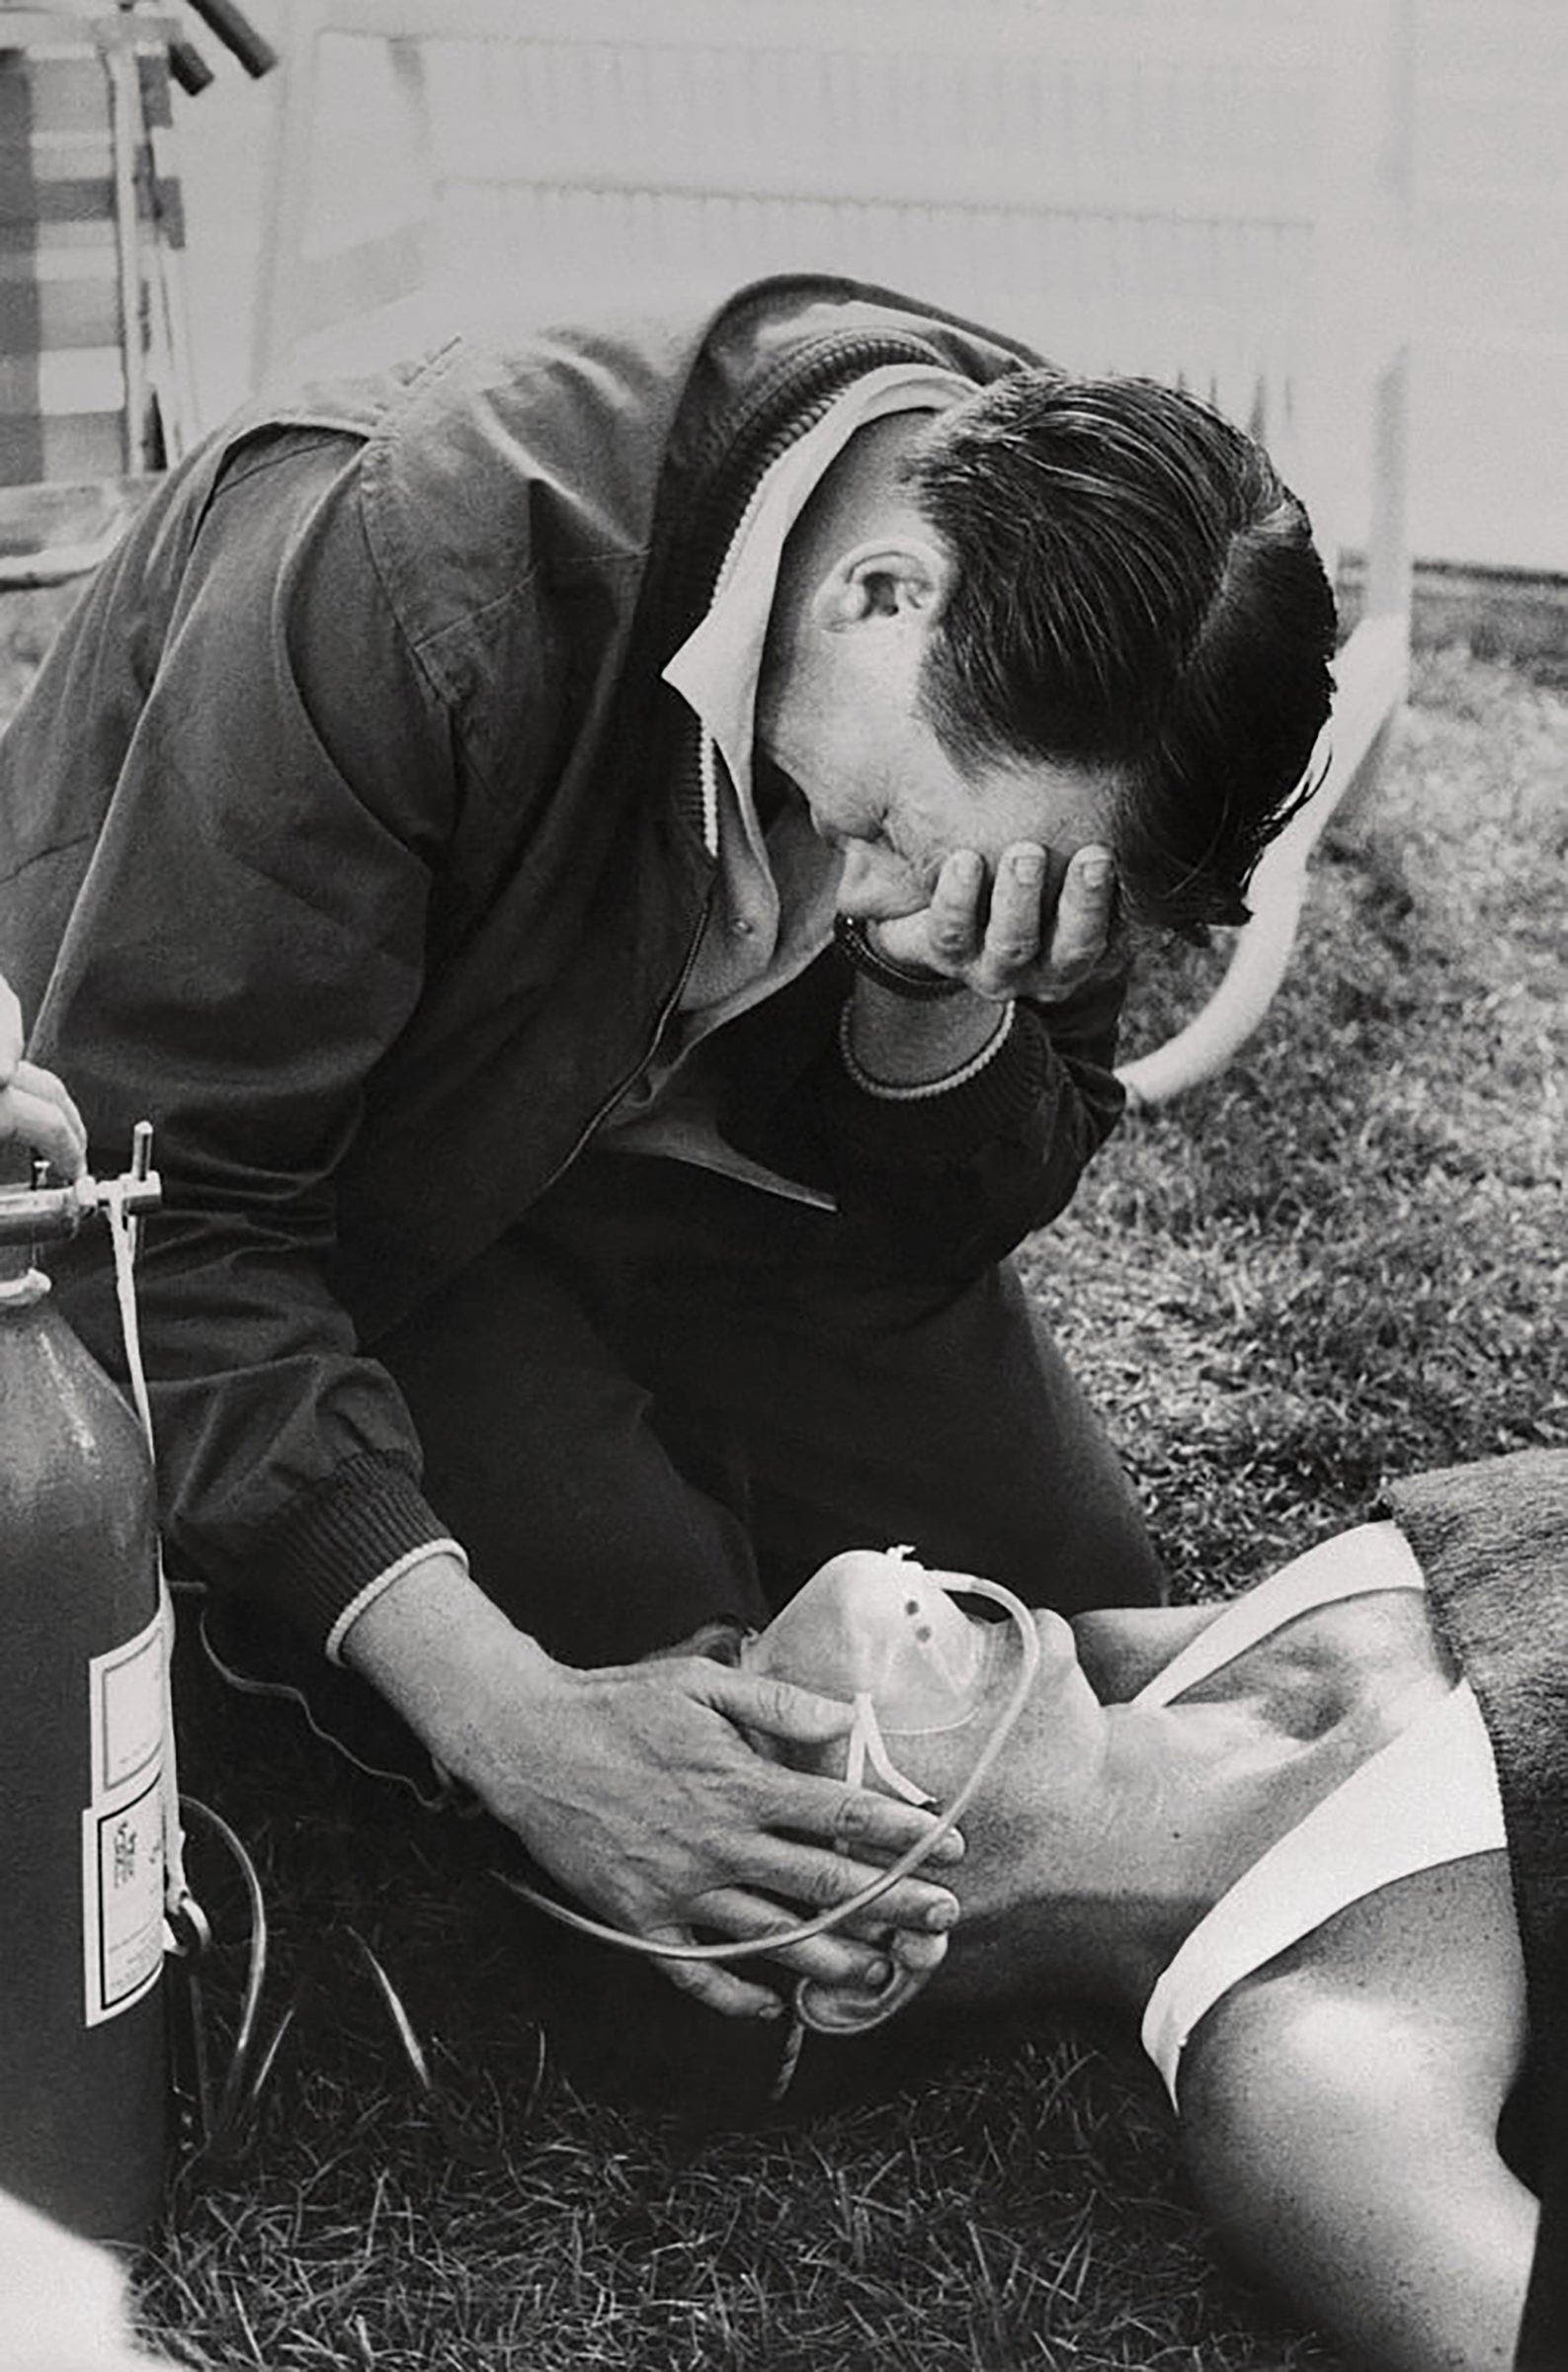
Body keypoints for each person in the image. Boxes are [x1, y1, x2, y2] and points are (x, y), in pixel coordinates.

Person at [0, 274, 1336, 2015]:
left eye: (993, 893)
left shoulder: (1084, 580)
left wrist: (926, 1001)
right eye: (903, 836)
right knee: (693, 1759)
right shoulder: (409, 566)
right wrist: (513, 1719)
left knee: (1071, 1598)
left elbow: (942, 1221)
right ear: (879, 592)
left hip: (662, 1173)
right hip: (347, 1197)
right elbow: (159, 1222)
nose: (878, 891)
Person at [741, 1450, 1568, 2372]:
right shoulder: (1299, 2075)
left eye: (730, 1650)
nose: (838, 1611)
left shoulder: (1133, 1655)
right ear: (864, 1967)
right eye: (758, 1730)